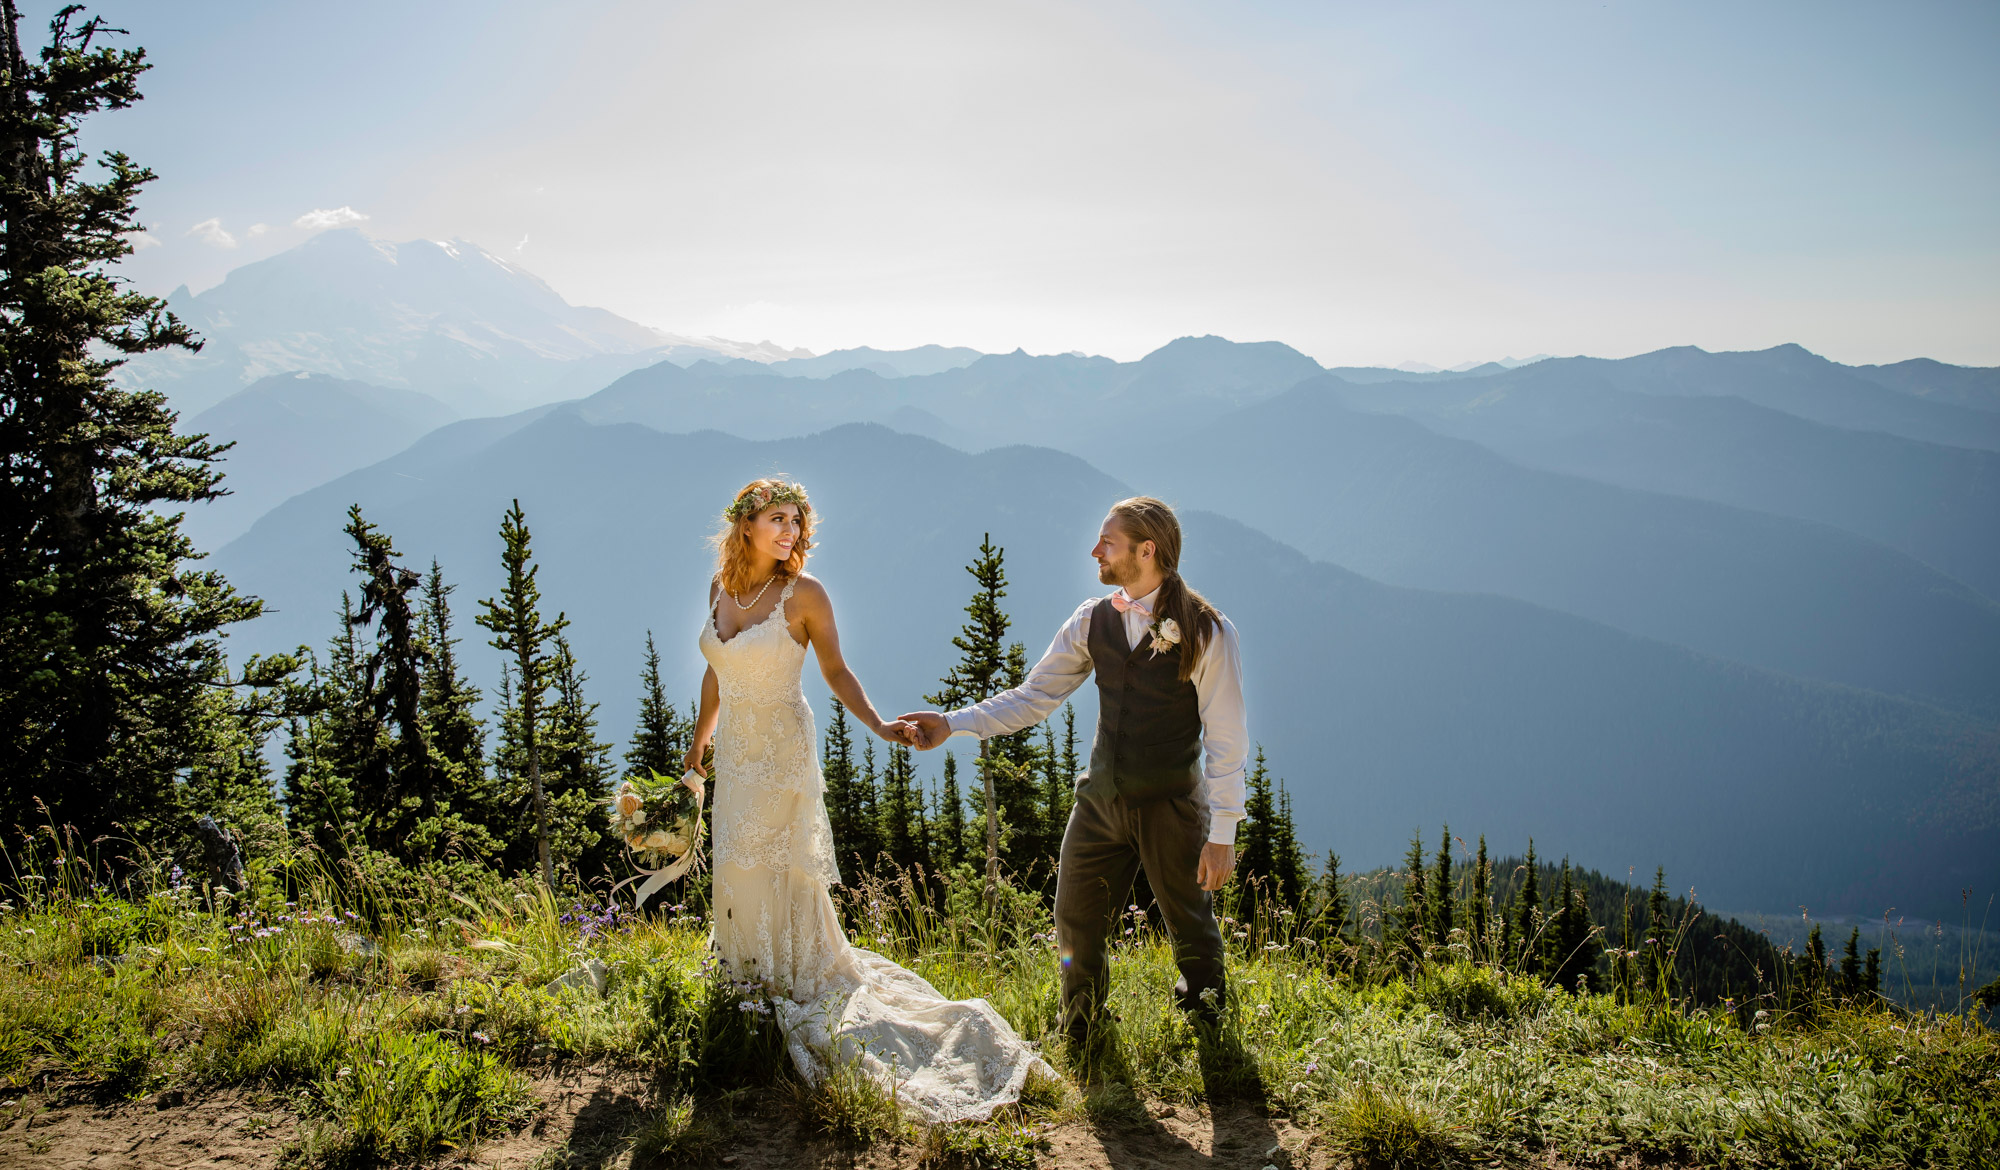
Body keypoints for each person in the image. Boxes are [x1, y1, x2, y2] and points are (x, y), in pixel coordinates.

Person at [682, 477, 1052, 1122]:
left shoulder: (805, 595)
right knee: (735, 860)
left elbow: (835, 671)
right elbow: (718, 671)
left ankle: (786, 979)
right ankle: (743, 976)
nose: (790, 531)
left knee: (775, 860)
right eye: (777, 518)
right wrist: (697, 746)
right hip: (737, 751)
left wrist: (880, 725)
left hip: (783, 751)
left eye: (797, 521)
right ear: (745, 526)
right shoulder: (720, 588)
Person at [901, 496, 1247, 1045]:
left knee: (1189, 924)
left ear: (1146, 550)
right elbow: (1034, 696)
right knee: (1074, 915)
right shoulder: (1092, 620)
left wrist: (1222, 833)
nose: (1095, 551)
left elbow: (1226, 741)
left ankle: (1208, 1031)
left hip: (1171, 805)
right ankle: (1081, 1025)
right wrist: (952, 723)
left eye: (1107, 542)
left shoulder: (1207, 631)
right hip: (1101, 801)